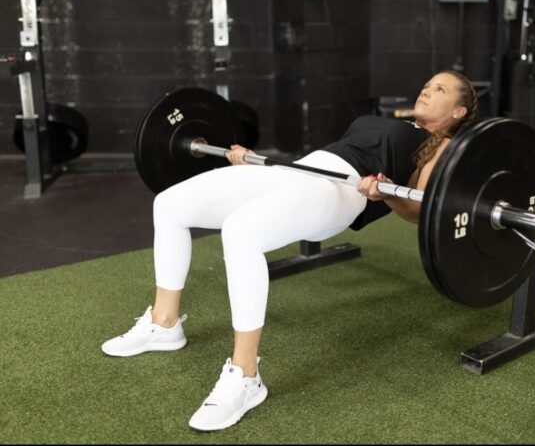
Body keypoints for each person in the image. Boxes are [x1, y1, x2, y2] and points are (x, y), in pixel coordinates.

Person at [101, 70, 479, 431]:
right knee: (169, 204)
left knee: (241, 231)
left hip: (343, 191)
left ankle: (245, 376)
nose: (427, 90)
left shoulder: (445, 147)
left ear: (458, 112)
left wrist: (383, 193)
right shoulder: (394, 122)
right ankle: (164, 324)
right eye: (428, 85)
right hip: (301, 169)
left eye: (440, 90)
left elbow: (417, 209)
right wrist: (248, 160)